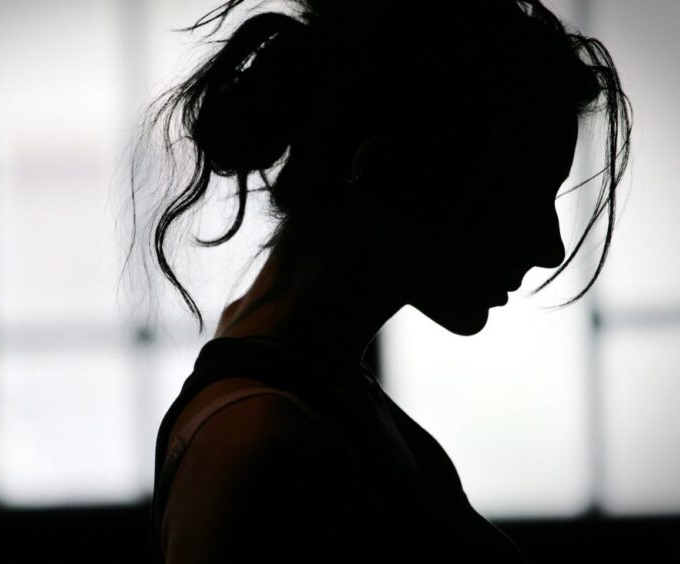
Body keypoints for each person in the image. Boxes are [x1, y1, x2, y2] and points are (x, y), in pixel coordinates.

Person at [124, 0, 632, 561]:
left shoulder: (317, 390)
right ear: (385, 178)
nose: (550, 247)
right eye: (519, 201)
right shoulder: (259, 445)